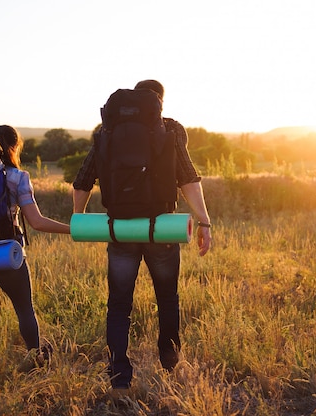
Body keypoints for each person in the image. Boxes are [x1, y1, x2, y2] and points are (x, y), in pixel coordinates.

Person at [72, 80, 212, 394]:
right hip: (160, 228)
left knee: (119, 305)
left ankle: (119, 377)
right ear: (158, 102)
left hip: (120, 230)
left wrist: (78, 221)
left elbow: (82, 181)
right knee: (167, 298)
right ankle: (171, 362)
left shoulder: (108, 133)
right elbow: (188, 177)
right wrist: (204, 222)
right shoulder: (170, 129)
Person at [0, 125, 70, 401]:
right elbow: (37, 222)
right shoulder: (18, 177)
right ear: (15, 147)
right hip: (7, 255)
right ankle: (38, 367)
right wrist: (72, 229)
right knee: (25, 312)